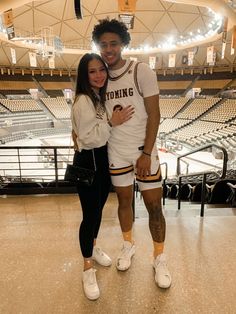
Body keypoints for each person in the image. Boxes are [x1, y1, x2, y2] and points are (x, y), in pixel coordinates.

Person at [92, 19, 172, 289]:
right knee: (124, 203)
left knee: (153, 207)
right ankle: (128, 245)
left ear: (123, 43)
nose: (108, 49)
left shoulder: (141, 71)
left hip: (143, 152)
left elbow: (155, 114)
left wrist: (147, 152)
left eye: (113, 43)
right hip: (116, 152)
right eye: (103, 44)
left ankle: (159, 257)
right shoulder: (99, 78)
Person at [71, 53, 134, 300]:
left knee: (97, 211)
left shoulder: (97, 97)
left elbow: (82, 134)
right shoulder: (83, 100)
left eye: (101, 70)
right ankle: (87, 267)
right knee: (89, 216)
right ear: (84, 76)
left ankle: (94, 247)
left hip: (101, 162)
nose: (99, 75)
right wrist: (113, 122)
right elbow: (88, 139)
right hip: (88, 164)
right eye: (92, 72)